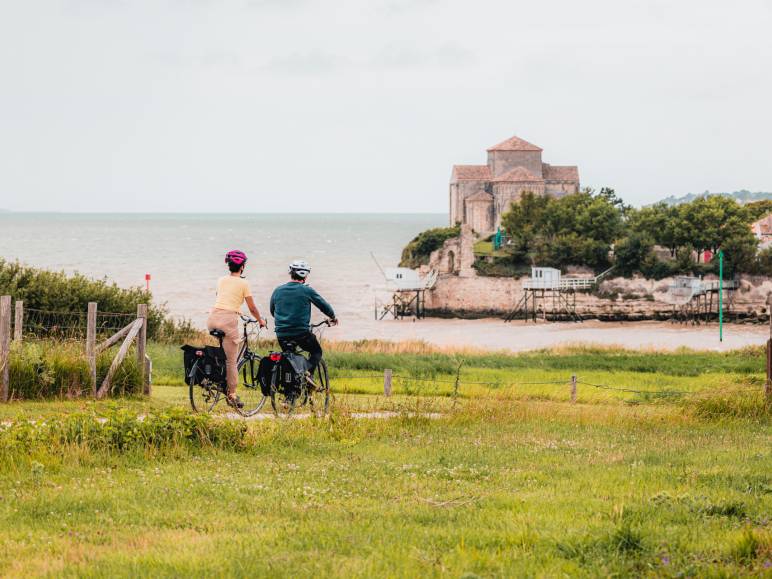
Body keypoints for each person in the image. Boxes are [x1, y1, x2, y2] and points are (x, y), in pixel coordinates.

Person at [207, 250, 267, 408]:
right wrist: (260, 320)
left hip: (213, 318)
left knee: (223, 354)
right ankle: (232, 395)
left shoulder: (221, 280)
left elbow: (221, 296)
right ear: (242, 267)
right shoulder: (244, 283)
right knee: (231, 361)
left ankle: (217, 378)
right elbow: (252, 307)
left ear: (228, 265)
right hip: (228, 320)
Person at [270, 260, 337, 379]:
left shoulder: (278, 290)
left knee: (289, 358)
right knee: (317, 352)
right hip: (301, 334)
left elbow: (272, 311)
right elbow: (323, 305)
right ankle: (308, 373)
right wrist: (333, 317)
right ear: (305, 276)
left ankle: (291, 389)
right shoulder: (307, 290)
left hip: (281, 334)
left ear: (291, 273)